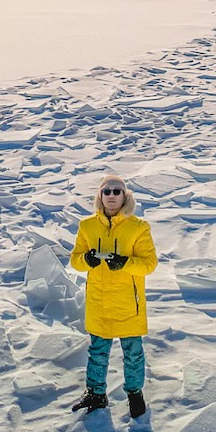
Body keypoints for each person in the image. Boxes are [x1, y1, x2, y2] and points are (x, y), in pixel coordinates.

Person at [68, 174, 158, 418]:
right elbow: (75, 260)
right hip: (99, 301)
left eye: (117, 191)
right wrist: (86, 260)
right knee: (97, 351)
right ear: (100, 196)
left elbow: (149, 264)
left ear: (125, 196)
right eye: (106, 191)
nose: (111, 196)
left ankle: (135, 395)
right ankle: (96, 393)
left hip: (129, 303)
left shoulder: (139, 227)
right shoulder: (87, 226)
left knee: (133, 353)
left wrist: (125, 263)